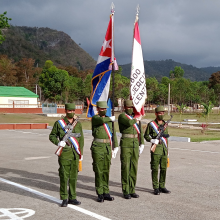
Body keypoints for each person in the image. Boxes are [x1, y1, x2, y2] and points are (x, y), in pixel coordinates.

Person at [49, 103, 84, 207]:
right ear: (65, 111)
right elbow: (52, 136)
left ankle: (72, 197)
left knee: (74, 176)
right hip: (64, 153)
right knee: (64, 176)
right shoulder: (59, 123)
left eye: (73, 111)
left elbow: (80, 139)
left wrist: (81, 153)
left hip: (75, 153)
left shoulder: (78, 124)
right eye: (69, 111)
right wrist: (58, 143)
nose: (72, 112)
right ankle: (64, 198)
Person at [91, 101, 118, 202]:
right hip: (98, 147)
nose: (103, 110)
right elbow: (100, 121)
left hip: (107, 147)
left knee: (106, 170)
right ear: (97, 109)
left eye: (105, 109)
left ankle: (106, 192)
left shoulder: (109, 120)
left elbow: (113, 133)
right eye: (102, 109)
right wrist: (110, 118)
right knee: (98, 170)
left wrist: (116, 146)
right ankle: (100, 193)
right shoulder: (95, 118)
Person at [118, 100, 145, 199]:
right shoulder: (122, 116)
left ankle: (132, 189)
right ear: (125, 107)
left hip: (135, 144)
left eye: (131, 107)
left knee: (134, 167)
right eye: (128, 107)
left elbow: (140, 132)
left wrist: (142, 143)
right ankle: (126, 191)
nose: (130, 109)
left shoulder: (136, 118)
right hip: (126, 144)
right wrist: (136, 119)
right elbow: (129, 122)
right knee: (126, 167)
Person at [144, 106, 170, 195]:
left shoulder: (165, 124)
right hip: (156, 150)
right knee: (155, 168)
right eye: (160, 113)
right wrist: (152, 140)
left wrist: (167, 150)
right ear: (156, 114)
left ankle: (162, 186)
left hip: (163, 149)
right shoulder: (151, 124)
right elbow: (146, 136)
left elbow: (166, 138)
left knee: (164, 168)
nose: (161, 115)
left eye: (163, 113)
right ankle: (155, 187)